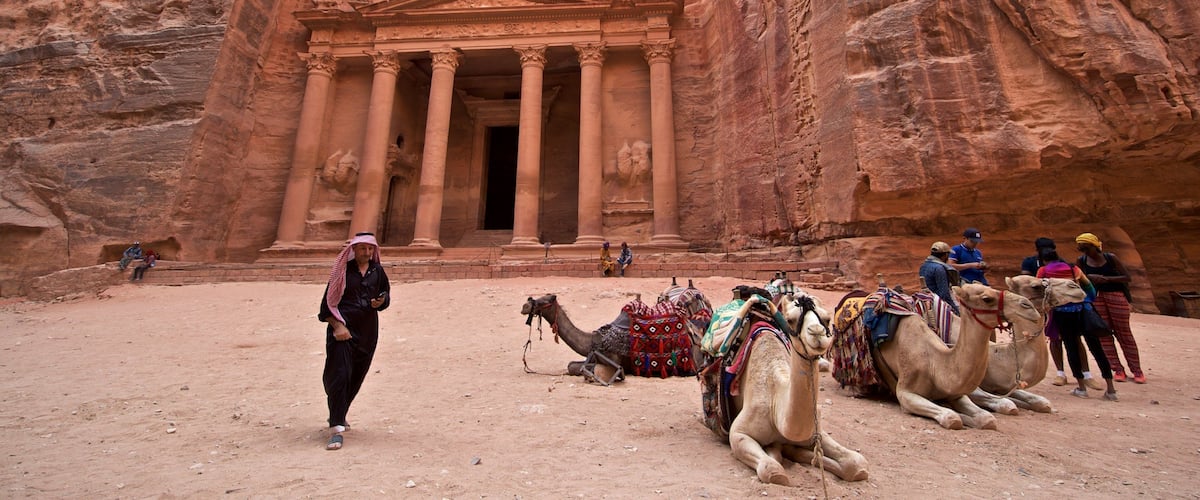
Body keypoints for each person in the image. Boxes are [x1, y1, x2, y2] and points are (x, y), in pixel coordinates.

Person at [319, 232, 390, 450]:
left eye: (370, 249)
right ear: (353, 250)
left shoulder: (377, 271)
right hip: (343, 329)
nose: (367, 253)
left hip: (367, 331)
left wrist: (381, 301)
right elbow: (327, 305)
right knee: (339, 375)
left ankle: (339, 414)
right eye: (362, 249)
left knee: (356, 374)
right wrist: (338, 326)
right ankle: (336, 429)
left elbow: (385, 293)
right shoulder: (342, 271)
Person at [1038, 249, 1118, 401]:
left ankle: (1082, 388)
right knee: (1096, 348)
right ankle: (1111, 390)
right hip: (1083, 310)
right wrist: (1087, 301)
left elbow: (1039, 290)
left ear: (1044, 260)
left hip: (1062, 313)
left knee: (1071, 347)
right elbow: (1089, 288)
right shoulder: (1073, 268)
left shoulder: (1043, 271)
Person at [1076, 232, 1144, 383]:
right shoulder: (1082, 260)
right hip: (1096, 298)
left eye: (1087, 248)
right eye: (1082, 249)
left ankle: (1137, 370)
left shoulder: (1110, 258)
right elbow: (1079, 279)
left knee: (1124, 333)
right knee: (1104, 333)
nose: (1085, 252)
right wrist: (1089, 280)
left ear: (1095, 246)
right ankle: (1117, 369)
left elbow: (1126, 277)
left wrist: (1105, 279)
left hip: (1115, 295)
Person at [919, 241, 960, 314]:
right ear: (945, 255)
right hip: (937, 302)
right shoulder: (939, 268)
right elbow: (944, 293)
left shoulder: (924, 265)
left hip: (926, 300)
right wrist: (955, 310)